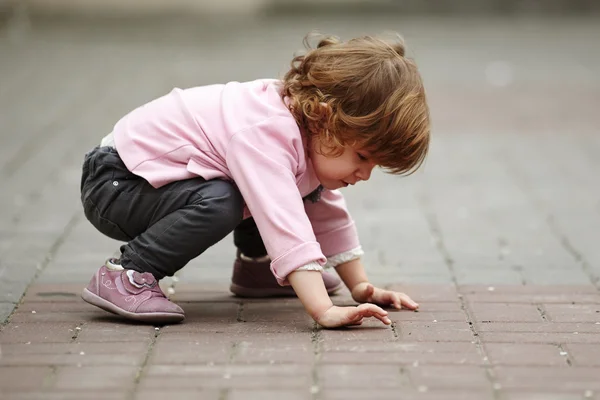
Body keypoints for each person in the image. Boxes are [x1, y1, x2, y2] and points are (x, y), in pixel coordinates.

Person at [79, 33, 430, 328]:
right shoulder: (267, 132)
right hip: (117, 184)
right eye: (363, 157)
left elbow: (326, 215)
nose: (365, 174)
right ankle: (126, 273)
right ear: (325, 119)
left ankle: (260, 270)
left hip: (147, 181)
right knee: (224, 199)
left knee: (286, 191)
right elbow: (284, 220)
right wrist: (323, 310)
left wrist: (362, 287)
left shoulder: (309, 134)